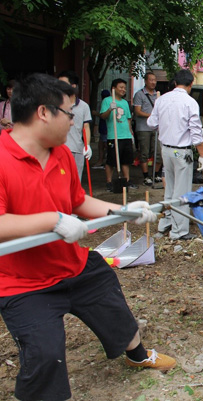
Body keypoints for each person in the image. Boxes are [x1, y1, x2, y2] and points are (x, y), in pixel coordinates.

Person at [0, 73, 176, 401]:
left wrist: (124, 211)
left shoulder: (61, 154)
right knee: (45, 353)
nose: (72, 121)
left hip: (70, 264)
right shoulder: (1, 158)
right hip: (22, 283)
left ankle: (137, 355)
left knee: (108, 295)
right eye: (68, 113)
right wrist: (52, 220)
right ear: (43, 112)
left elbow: (77, 201)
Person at [147, 69, 203, 241]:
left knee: (170, 188)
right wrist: (202, 156)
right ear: (190, 84)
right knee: (182, 191)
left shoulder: (162, 99)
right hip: (181, 151)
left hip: (166, 149)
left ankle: (165, 222)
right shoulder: (190, 102)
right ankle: (179, 230)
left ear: (175, 82)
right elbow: (196, 134)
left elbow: (151, 123)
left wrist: (166, 125)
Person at [100, 78, 137, 191]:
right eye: (121, 87)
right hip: (114, 135)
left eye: (125, 88)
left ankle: (126, 181)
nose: (123, 90)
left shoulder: (125, 103)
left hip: (126, 135)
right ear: (114, 88)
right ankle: (109, 182)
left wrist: (130, 132)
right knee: (111, 160)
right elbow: (103, 116)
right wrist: (110, 109)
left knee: (126, 160)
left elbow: (128, 119)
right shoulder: (107, 101)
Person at [57, 70, 93, 180]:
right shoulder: (55, 104)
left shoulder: (84, 106)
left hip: (77, 149)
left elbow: (86, 127)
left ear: (73, 86)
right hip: (59, 149)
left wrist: (87, 145)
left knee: (75, 180)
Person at [133, 72, 162, 186]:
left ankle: (156, 174)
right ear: (145, 81)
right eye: (151, 80)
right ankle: (146, 176)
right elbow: (137, 111)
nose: (153, 82)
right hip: (143, 127)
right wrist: (152, 116)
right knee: (144, 152)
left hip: (157, 128)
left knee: (158, 152)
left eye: (155, 80)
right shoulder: (139, 94)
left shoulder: (158, 95)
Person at [93, 89, 111, 168]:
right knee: (101, 144)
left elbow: (103, 115)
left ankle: (106, 161)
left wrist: (96, 113)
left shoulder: (108, 103)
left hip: (106, 127)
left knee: (106, 144)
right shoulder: (103, 103)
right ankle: (101, 160)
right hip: (102, 127)